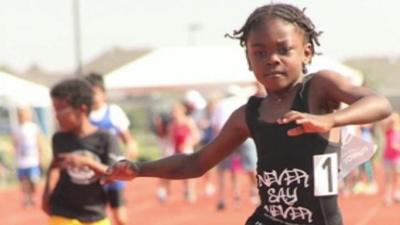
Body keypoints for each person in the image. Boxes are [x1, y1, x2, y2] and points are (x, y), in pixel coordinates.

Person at [103, 3, 392, 225]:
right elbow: (196, 163)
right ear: (248, 60)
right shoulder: (248, 115)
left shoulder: (319, 89)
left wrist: (328, 120)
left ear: (306, 53)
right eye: (260, 53)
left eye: (283, 49)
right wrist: (140, 169)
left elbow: (378, 103)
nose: (272, 59)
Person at [41, 78, 123, 225]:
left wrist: (86, 162)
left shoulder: (106, 139)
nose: (57, 115)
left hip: (94, 214)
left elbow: (112, 174)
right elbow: (55, 167)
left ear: (82, 109)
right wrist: (46, 196)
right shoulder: (59, 138)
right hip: (62, 212)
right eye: (55, 110)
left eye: (61, 109)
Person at [85, 73, 138, 225]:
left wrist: (125, 162)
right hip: (92, 175)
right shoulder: (83, 115)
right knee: (93, 219)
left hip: (113, 173)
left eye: (94, 92)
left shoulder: (113, 112)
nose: (91, 96)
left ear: (103, 93)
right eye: (88, 92)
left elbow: (129, 141)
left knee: (120, 218)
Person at [11, 105, 45, 207]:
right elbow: (14, 143)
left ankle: (32, 195)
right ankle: (27, 199)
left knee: (33, 180)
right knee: (24, 181)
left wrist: (40, 155)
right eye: (20, 115)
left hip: (32, 159)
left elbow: (39, 141)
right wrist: (14, 151)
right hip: (21, 160)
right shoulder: (16, 129)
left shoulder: (33, 128)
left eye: (24, 114)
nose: (22, 117)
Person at [382, 112, 400, 205]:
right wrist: (389, 121)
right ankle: (387, 196)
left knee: (397, 177)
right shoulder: (388, 131)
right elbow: (384, 127)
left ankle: (397, 193)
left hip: (397, 158)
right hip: (388, 158)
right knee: (388, 178)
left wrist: (397, 147)